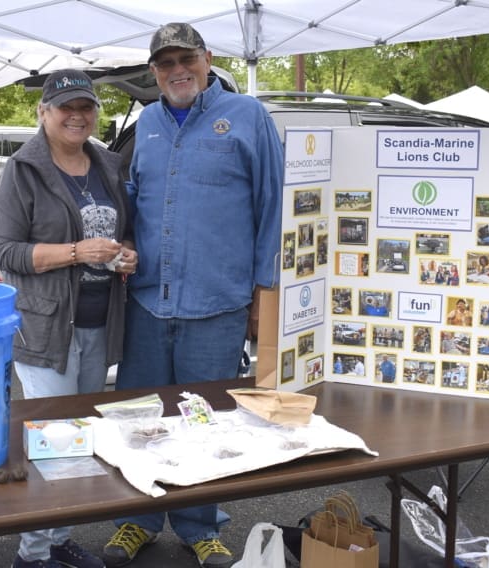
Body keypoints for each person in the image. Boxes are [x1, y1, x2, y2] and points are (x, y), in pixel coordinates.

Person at [103, 23, 282, 568]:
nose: (177, 71)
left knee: (206, 421)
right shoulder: (148, 122)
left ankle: (200, 525)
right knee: (139, 417)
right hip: (148, 302)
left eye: (186, 59)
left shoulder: (248, 116)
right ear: (154, 71)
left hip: (218, 304)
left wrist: (264, 295)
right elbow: (135, 199)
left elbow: (273, 208)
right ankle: (136, 519)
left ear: (207, 59)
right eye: (166, 63)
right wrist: (124, 242)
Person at [0, 69, 136, 568]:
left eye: (85, 106)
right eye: (65, 107)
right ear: (44, 112)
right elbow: (4, 251)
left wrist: (126, 253)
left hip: (98, 322)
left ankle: (57, 538)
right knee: (53, 442)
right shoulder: (24, 169)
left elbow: (123, 230)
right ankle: (32, 555)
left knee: (79, 440)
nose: (77, 116)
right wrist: (75, 252)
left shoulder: (108, 163)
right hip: (46, 327)